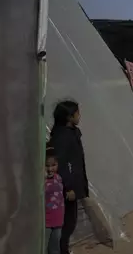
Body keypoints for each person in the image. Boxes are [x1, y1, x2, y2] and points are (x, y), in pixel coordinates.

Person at [49, 100, 89, 254]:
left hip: (73, 184)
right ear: (69, 117)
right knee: (65, 225)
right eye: (77, 113)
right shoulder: (62, 137)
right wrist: (68, 187)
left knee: (69, 223)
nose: (79, 115)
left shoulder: (71, 133)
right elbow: (60, 165)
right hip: (66, 189)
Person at [44, 145, 65, 254]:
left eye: (53, 165)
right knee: (44, 248)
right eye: (47, 165)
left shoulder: (58, 178)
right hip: (46, 222)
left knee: (55, 248)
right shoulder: (42, 181)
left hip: (58, 220)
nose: (50, 168)